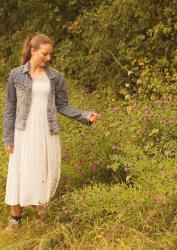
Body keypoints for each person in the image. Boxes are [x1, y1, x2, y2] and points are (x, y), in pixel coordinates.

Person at [3, 33, 101, 231]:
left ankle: (43, 221)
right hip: (23, 131)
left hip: (47, 131)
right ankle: (15, 220)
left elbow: (63, 105)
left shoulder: (56, 77)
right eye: (44, 54)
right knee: (18, 171)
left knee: (44, 171)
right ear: (33, 51)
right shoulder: (15, 74)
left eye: (50, 55)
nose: (48, 58)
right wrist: (8, 137)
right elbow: (9, 107)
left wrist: (85, 115)